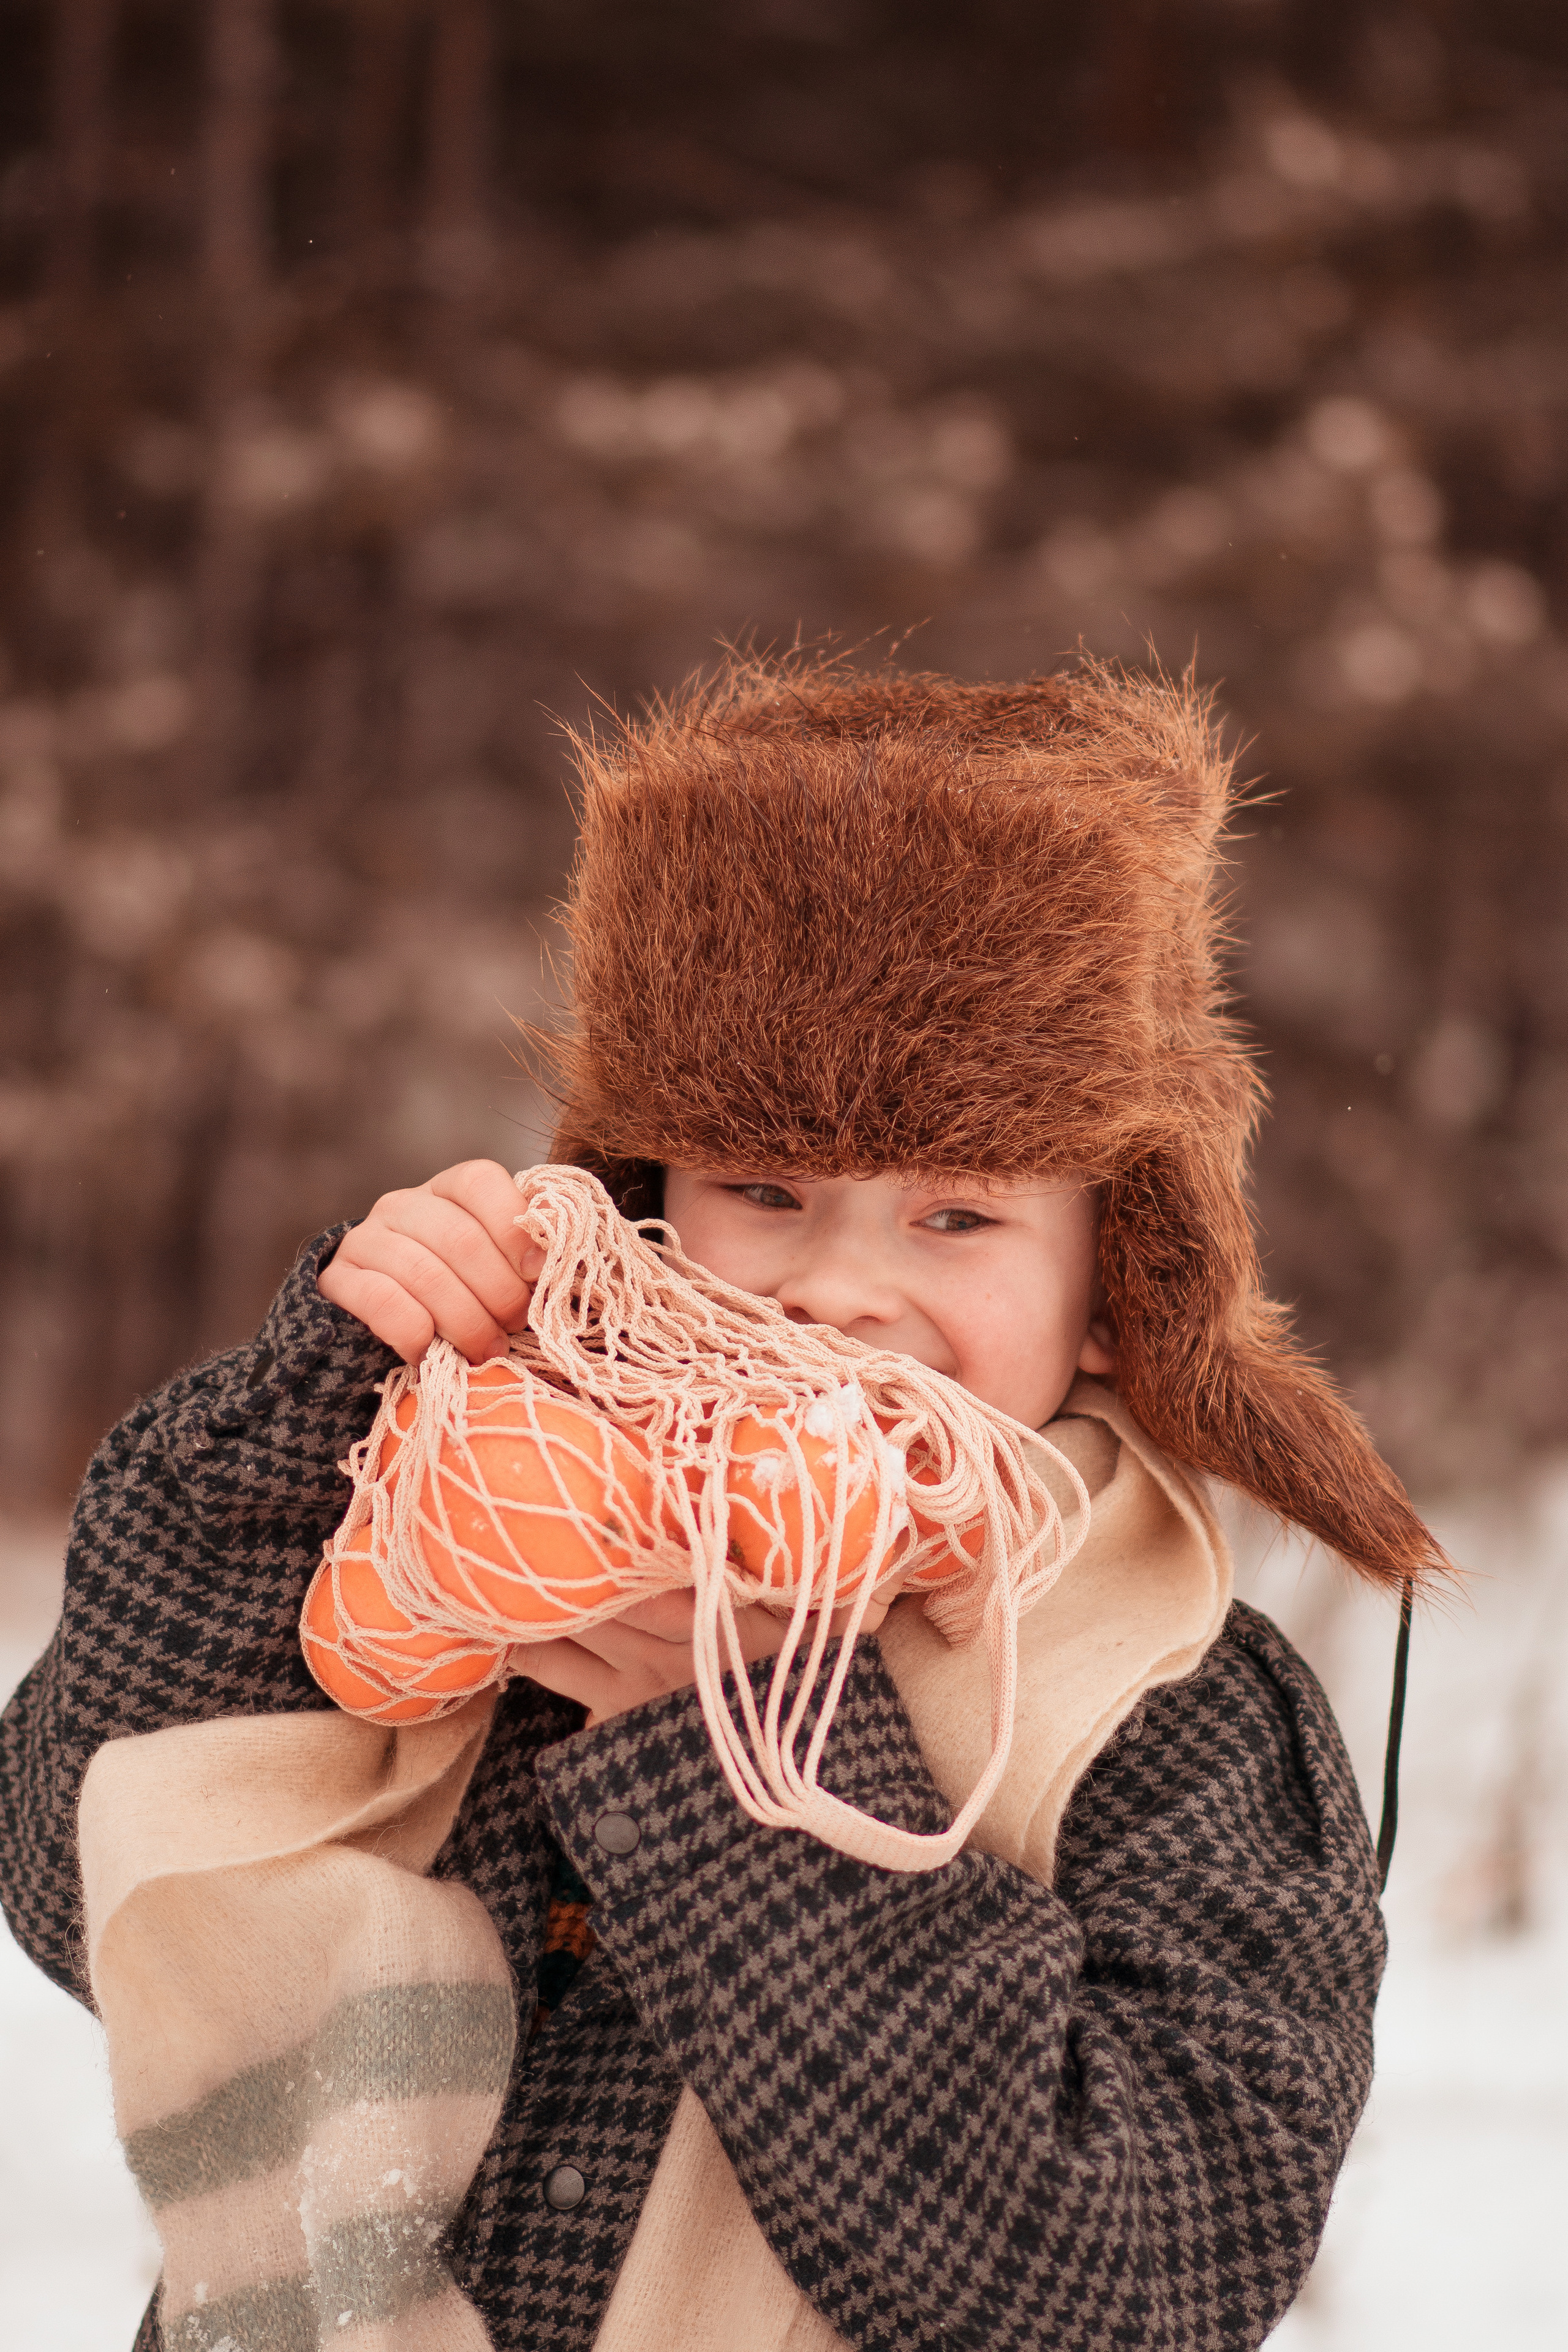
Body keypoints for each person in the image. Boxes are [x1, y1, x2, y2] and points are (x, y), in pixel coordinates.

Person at [0, 655, 1441, 2352]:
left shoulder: (1175, 1716)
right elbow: (89, 1874)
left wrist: (744, 1759)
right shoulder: (489, 1529)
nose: (839, 1292)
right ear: (642, 1199)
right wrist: (319, 1412)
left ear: (1115, 1287)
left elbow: (1122, 2285)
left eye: (957, 1219)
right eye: (767, 1192)